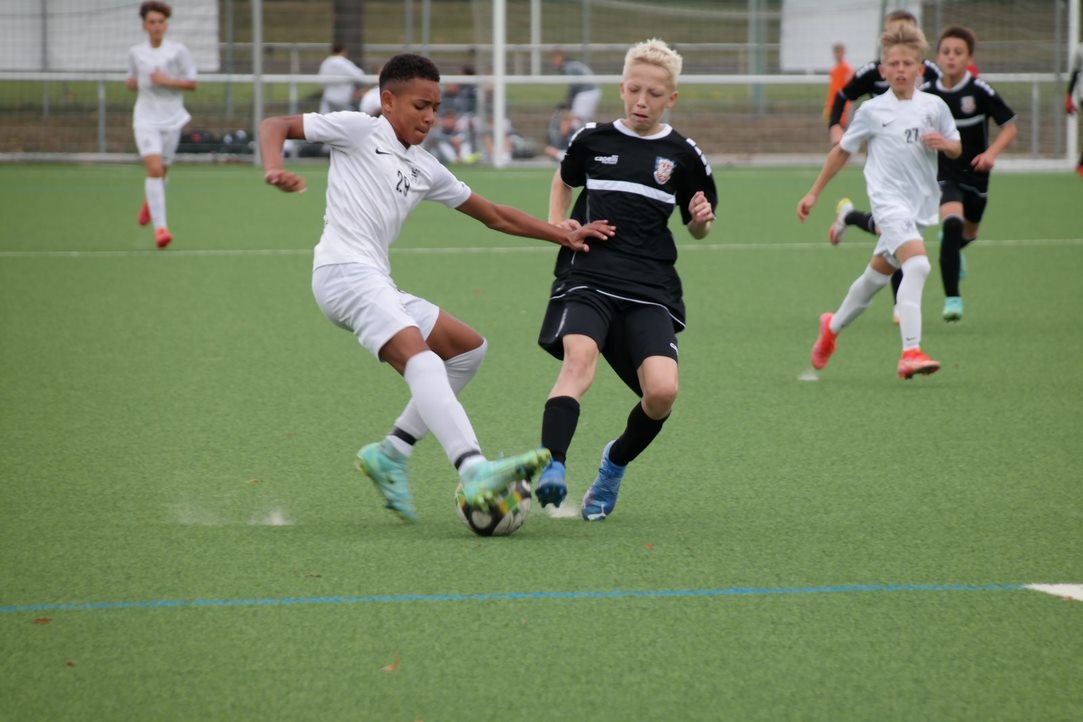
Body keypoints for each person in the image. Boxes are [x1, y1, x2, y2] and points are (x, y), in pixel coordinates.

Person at [259, 53, 616, 522]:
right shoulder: (360, 129)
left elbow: (495, 215)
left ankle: (391, 452)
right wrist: (273, 168)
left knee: (467, 351)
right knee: (422, 359)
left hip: (374, 279)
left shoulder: (425, 167)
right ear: (388, 101)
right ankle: (474, 468)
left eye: (435, 107)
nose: (429, 117)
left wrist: (561, 234)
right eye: (420, 106)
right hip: (343, 272)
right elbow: (275, 125)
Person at [532, 39, 717, 520]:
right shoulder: (592, 139)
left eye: (653, 94)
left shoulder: (683, 155)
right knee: (579, 362)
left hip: (649, 288)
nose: (641, 101)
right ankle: (553, 463)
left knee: (662, 392)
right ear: (621, 88)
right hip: (589, 275)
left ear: (671, 98)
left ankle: (613, 465)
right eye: (634, 90)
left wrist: (700, 219)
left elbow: (698, 226)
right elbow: (564, 178)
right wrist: (558, 224)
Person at [797, 24, 961, 380]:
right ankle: (911, 351)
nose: (901, 70)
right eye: (894, 64)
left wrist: (946, 144)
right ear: (883, 70)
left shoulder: (934, 107)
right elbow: (842, 151)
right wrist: (814, 192)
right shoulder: (872, 111)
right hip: (888, 203)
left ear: (920, 69)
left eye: (907, 63)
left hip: (920, 206)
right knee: (918, 265)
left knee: (875, 278)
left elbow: (956, 145)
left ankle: (832, 327)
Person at [831, 26, 1017, 323]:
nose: (951, 57)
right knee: (922, 244)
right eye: (946, 52)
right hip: (938, 178)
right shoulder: (915, 95)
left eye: (958, 52)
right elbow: (851, 120)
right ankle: (943, 302)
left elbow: (1006, 126)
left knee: (963, 233)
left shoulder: (968, 93)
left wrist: (988, 153)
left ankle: (850, 220)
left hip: (970, 177)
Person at [126, 1, 197, 250]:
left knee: (162, 171)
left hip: (172, 118)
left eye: (160, 22)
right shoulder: (136, 52)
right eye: (152, 22)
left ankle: (151, 201)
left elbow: (192, 83)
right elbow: (133, 78)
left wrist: (165, 81)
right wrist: (132, 83)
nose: (156, 26)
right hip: (145, 119)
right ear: (145, 26)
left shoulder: (178, 51)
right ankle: (161, 229)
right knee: (154, 170)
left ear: (166, 25)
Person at [827, 10, 942, 147]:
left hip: (921, 151)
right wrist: (835, 126)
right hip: (882, 150)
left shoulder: (929, 71)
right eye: (894, 33)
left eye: (905, 33)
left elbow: (950, 98)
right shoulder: (872, 72)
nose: (900, 38)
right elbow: (842, 96)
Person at [552, 48, 602, 124]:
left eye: (555, 58)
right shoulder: (572, 64)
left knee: (576, 121)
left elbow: (574, 86)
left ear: (561, 57)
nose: (554, 61)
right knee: (579, 120)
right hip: (590, 92)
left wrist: (568, 101)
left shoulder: (569, 67)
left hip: (587, 93)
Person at [317, 43, 366, 114]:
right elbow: (359, 75)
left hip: (328, 97)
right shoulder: (343, 62)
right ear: (344, 51)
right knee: (346, 118)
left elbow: (321, 80)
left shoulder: (326, 62)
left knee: (328, 118)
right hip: (342, 98)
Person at [824, 43, 854, 127]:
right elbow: (833, 88)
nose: (838, 55)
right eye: (836, 52)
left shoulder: (847, 68)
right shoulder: (833, 69)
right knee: (834, 129)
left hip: (843, 105)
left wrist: (846, 105)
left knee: (843, 130)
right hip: (833, 104)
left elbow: (849, 88)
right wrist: (828, 103)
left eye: (840, 52)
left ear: (844, 53)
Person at [1067, 41, 1083, 177]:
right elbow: (1075, 73)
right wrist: (1069, 98)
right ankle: (1081, 165)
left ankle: (1081, 165)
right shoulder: (1080, 49)